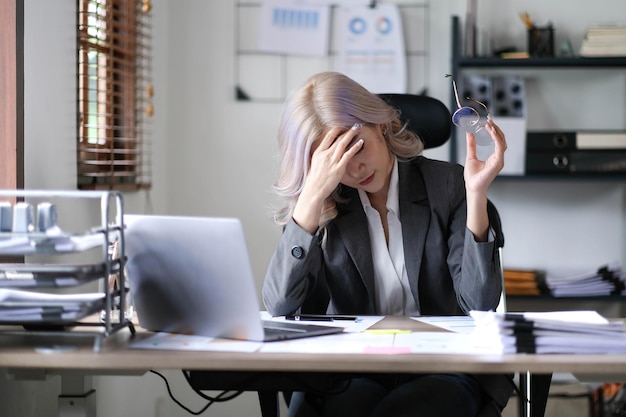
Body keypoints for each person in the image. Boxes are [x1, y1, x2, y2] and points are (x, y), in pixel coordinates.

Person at [262, 71, 513, 417]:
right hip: (353, 370)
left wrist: (476, 195)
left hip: (443, 366)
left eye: (357, 145)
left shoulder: (448, 186)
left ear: (380, 125)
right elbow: (280, 305)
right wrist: (311, 198)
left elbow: (479, 303)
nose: (355, 167)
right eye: (336, 159)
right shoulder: (325, 207)